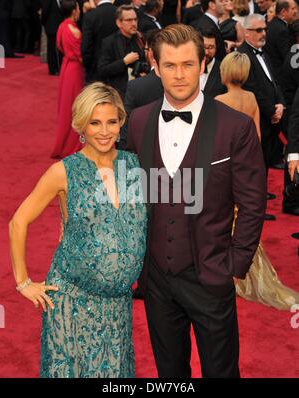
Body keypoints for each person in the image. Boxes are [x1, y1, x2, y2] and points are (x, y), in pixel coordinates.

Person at [127, 24, 267, 378]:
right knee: (170, 375)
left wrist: (234, 265)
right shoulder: (138, 121)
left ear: (204, 63)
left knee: (221, 371)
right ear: (154, 65)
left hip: (210, 276)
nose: (179, 75)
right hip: (156, 279)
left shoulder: (235, 127)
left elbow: (252, 204)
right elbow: (132, 194)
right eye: (170, 65)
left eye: (188, 64)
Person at [9, 82, 147, 378]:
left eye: (112, 121)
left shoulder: (134, 166)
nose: (104, 131)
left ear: (122, 122)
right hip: (71, 302)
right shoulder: (64, 171)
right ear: (81, 125)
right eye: (94, 123)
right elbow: (18, 221)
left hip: (117, 306)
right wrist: (23, 282)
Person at [216, 52, 299, 310]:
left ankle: (224, 268)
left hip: (222, 167)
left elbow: (215, 142)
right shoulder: (251, 98)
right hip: (244, 166)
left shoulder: (218, 100)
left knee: (223, 216)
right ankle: (243, 267)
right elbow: (257, 136)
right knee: (243, 217)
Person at [239, 14, 286, 221]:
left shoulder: (263, 53)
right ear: (247, 32)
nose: (263, 33)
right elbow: (252, 89)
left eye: (264, 29)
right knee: (256, 166)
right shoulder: (243, 56)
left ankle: (260, 197)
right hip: (257, 119)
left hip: (270, 118)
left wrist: (281, 104)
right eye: (258, 30)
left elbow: (274, 82)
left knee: (265, 162)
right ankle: (256, 207)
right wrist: (271, 111)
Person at [51, 0, 84, 159]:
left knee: (65, 106)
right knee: (75, 105)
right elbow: (80, 55)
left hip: (66, 67)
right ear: (74, 11)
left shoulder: (62, 26)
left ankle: (63, 143)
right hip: (75, 70)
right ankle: (72, 144)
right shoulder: (74, 30)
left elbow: (59, 46)